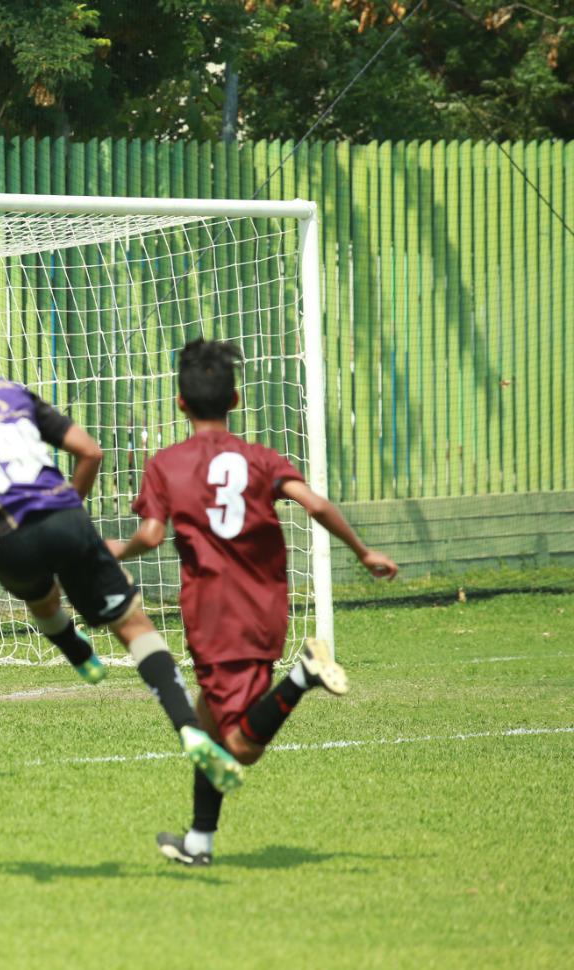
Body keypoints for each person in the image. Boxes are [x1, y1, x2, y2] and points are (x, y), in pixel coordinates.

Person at [0, 325, 245, 794]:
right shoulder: (11, 391)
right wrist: (70, 508)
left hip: (3, 532)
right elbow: (90, 451)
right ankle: (190, 729)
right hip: (66, 516)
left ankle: (74, 648)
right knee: (133, 625)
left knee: (40, 594)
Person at [110, 337, 398, 867]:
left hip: (217, 618)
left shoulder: (167, 465)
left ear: (180, 402)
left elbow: (150, 536)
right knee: (206, 723)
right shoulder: (261, 459)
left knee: (240, 747)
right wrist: (363, 551)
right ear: (235, 400)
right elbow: (314, 504)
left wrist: (113, 549)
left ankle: (303, 676)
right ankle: (199, 842)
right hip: (265, 609)